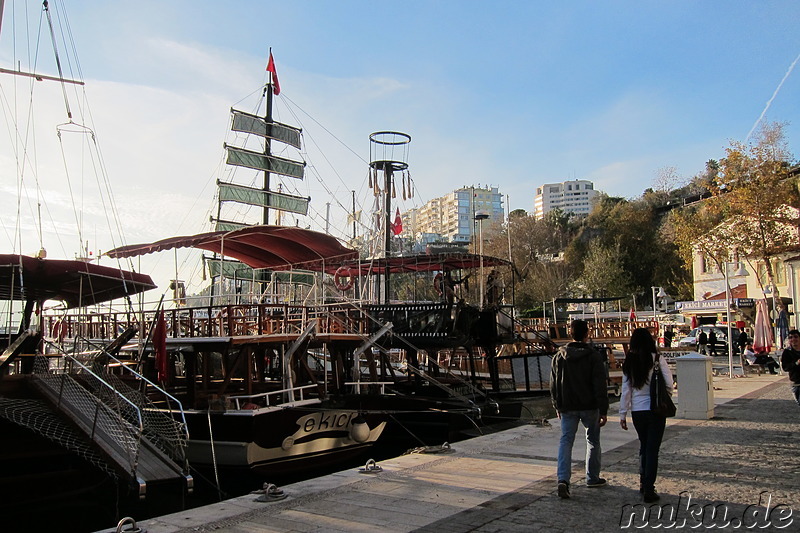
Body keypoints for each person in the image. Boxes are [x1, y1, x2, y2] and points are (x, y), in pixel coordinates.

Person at [550, 319, 609, 499]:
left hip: (568, 405)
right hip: (589, 405)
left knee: (566, 441)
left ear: (570, 333)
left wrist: (556, 404)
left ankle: (563, 479)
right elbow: (600, 384)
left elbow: (553, 383)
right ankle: (592, 477)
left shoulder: (559, 356)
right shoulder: (593, 356)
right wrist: (604, 409)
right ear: (587, 334)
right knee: (592, 440)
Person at [619, 328, 673, 504]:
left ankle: (643, 482)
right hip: (655, 409)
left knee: (644, 445)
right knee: (652, 449)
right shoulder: (657, 359)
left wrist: (622, 413)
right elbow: (669, 384)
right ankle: (649, 487)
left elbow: (626, 390)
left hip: (638, 411)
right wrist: (664, 397)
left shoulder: (630, 362)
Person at [780, 329, 800, 406]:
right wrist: (796, 363)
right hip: (796, 383)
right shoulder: (787, 352)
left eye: (796, 337)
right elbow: (785, 367)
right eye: (791, 337)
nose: (793, 339)